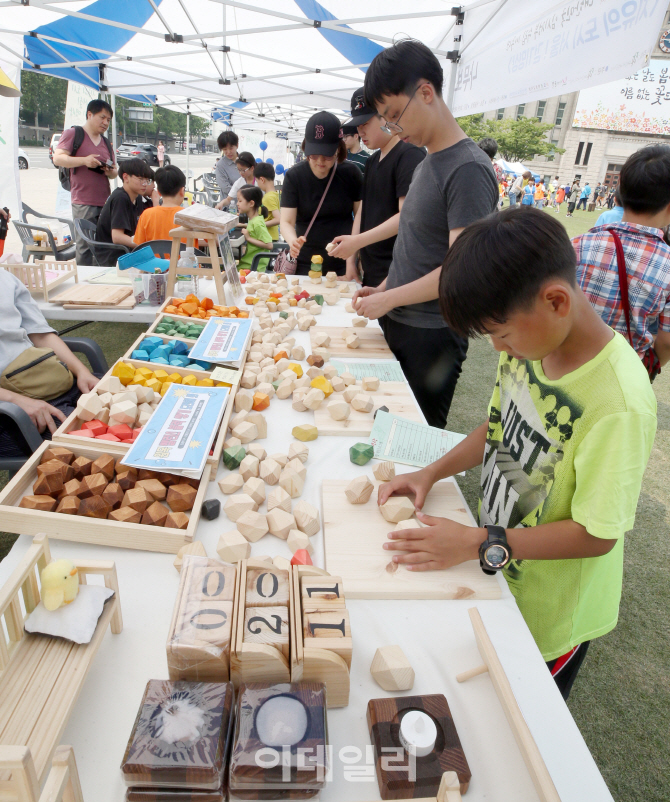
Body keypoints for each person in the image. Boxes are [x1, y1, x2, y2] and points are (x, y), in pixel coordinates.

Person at [378, 207, 656, 700]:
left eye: (502, 335)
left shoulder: (620, 402)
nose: (500, 351)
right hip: (498, 559)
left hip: (549, 614)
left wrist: (478, 542)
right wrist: (431, 473)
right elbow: (502, 423)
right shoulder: (533, 348)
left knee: (518, 711)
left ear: (554, 301)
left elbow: (597, 535)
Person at [351, 39, 498, 427]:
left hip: (432, 334)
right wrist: (383, 290)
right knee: (382, 430)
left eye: (395, 114)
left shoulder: (467, 168)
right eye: (385, 120)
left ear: (426, 92)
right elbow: (418, 246)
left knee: (415, 439)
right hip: (401, 321)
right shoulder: (428, 161)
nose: (392, 127)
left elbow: (459, 270)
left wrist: (389, 299)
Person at [573, 145, 670, 370]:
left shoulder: (576, 245)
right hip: (624, 375)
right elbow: (666, 342)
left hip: (567, 367)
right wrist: (651, 366)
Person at [328, 86, 425, 287]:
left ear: (385, 117)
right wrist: (351, 263)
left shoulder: (409, 155)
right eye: (357, 125)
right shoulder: (372, 162)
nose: (360, 131)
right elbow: (363, 210)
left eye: (365, 123)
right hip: (370, 270)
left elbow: (406, 216)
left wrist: (358, 242)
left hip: (397, 273)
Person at [0, 270, 99, 455]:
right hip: (8, 409)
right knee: (102, 436)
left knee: (123, 399)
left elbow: (39, 333)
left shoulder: (4, 277)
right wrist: (16, 402)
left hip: (48, 381)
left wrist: (82, 372)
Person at [280, 111, 362, 277]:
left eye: (327, 155)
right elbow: (287, 222)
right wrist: (293, 241)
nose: (320, 161)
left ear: (339, 149)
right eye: (314, 155)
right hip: (305, 264)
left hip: (343, 263)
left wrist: (351, 262)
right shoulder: (294, 176)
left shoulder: (351, 173)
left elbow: (360, 216)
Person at [52, 99, 118, 265]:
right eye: (102, 117)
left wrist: (110, 172)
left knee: (104, 246)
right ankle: (83, 283)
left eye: (108, 120)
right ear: (90, 114)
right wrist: (84, 161)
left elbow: (115, 171)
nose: (105, 123)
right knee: (85, 247)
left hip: (104, 202)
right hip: (83, 201)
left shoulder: (105, 143)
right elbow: (58, 158)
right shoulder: (74, 134)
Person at [95, 158, 153, 266]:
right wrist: (143, 244)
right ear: (126, 177)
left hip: (127, 251)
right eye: (141, 179)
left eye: (147, 180)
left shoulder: (138, 198)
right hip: (113, 255)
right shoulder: (120, 198)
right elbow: (117, 237)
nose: (145, 184)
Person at [134, 165, 189, 245]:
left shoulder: (146, 215)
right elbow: (212, 240)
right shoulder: (190, 216)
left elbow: (139, 245)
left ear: (159, 192)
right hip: (183, 258)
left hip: (154, 257)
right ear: (182, 191)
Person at [237, 185, 273, 271]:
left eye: (240, 201)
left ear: (251, 203)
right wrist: (243, 225)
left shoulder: (257, 223)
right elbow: (253, 229)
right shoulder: (254, 220)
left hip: (253, 267)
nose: (237, 203)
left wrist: (248, 238)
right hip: (249, 264)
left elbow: (269, 245)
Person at [253, 162, 281, 241]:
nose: (257, 184)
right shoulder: (274, 194)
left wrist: (261, 225)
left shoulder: (269, 197)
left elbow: (278, 219)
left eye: (257, 181)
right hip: (271, 237)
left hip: (269, 239)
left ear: (262, 179)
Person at [215, 131, 240, 199]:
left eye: (231, 148)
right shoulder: (220, 165)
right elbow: (226, 189)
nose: (228, 152)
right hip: (230, 206)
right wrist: (246, 194)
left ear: (237, 145)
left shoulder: (245, 160)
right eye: (225, 149)